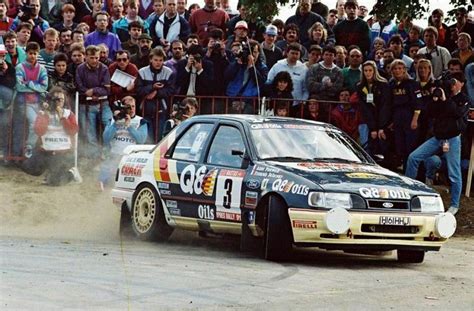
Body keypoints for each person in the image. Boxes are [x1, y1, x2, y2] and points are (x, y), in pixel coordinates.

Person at [405, 72, 469, 215]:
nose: (452, 84)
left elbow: (458, 113)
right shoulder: (440, 95)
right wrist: (435, 99)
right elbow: (429, 112)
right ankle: (409, 194)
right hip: (437, 137)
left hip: (452, 139)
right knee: (413, 157)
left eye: (455, 81)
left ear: (461, 83)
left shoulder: (463, 99)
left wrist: (446, 100)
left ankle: (454, 205)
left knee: (454, 173)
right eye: (451, 82)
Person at [380, 59, 422, 169]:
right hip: (397, 118)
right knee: (399, 146)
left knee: (410, 147)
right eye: (395, 69)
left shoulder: (412, 84)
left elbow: (418, 103)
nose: (397, 71)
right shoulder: (391, 85)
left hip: (409, 117)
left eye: (400, 68)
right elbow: (389, 105)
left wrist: (415, 119)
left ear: (404, 70)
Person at [34, 87, 80, 185]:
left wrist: (62, 117)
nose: (58, 102)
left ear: (64, 101)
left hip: (63, 150)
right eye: (56, 99)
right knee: (32, 169)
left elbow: (73, 131)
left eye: (61, 99)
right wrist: (45, 115)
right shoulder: (43, 112)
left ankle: (72, 173)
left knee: (55, 182)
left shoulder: (68, 114)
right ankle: (50, 173)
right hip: (46, 149)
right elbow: (39, 131)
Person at [99, 95, 147, 190]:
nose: (131, 109)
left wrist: (129, 126)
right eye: (128, 107)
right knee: (103, 178)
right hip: (114, 155)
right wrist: (116, 124)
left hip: (131, 158)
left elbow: (141, 140)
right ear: (123, 108)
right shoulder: (114, 119)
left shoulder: (141, 121)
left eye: (133, 106)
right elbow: (106, 138)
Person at [75, 44, 112, 158]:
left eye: (96, 57)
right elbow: (79, 86)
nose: (94, 60)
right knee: (89, 131)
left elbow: (106, 88)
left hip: (103, 103)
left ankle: (107, 151)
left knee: (108, 125)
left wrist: (94, 91)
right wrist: (88, 92)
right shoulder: (80, 68)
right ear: (86, 56)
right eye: (92, 57)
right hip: (86, 104)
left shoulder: (104, 68)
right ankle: (94, 155)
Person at [12, 41, 48, 158]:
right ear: (26, 53)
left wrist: (28, 83)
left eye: (35, 53)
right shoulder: (20, 67)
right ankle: (29, 146)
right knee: (34, 123)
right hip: (23, 103)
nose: (32, 56)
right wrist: (35, 86)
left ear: (38, 54)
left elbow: (44, 87)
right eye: (30, 53)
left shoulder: (42, 69)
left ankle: (43, 149)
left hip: (38, 102)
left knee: (44, 123)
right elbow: (19, 86)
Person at [136, 47, 175, 141]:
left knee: (159, 138)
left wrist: (156, 93)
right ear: (150, 59)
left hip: (161, 109)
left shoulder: (168, 72)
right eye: (156, 60)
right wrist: (152, 87)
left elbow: (171, 90)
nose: (158, 63)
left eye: (161, 60)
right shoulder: (142, 72)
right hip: (146, 109)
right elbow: (138, 90)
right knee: (147, 139)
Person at [224, 39, 267, 114]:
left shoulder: (262, 67)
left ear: (259, 53)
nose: (252, 55)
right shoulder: (237, 62)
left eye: (255, 52)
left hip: (250, 101)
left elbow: (260, 81)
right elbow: (227, 76)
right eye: (250, 52)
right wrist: (237, 64)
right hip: (233, 98)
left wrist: (251, 67)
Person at [357, 60, 390, 154]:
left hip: (384, 121)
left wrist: (381, 127)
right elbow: (365, 109)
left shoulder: (383, 84)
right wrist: (373, 128)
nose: (368, 73)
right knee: (370, 148)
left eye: (370, 70)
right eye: (365, 70)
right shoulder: (360, 86)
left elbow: (386, 106)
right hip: (370, 122)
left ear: (374, 71)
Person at [267, 43, 309, 112]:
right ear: (287, 53)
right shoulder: (278, 65)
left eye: (296, 54)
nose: (294, 56)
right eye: (292, 53)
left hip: (296, 106)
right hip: (279, 107)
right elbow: (269, 82)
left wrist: (303, 102)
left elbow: (306, 89)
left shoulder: (304, 69)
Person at [0, 43, 15, 159]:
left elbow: (12, 84)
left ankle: (4, 154)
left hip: (5, 106)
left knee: (5, 127)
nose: (1, 58)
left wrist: (4, 73)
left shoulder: (9, 67)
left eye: (3, 56)